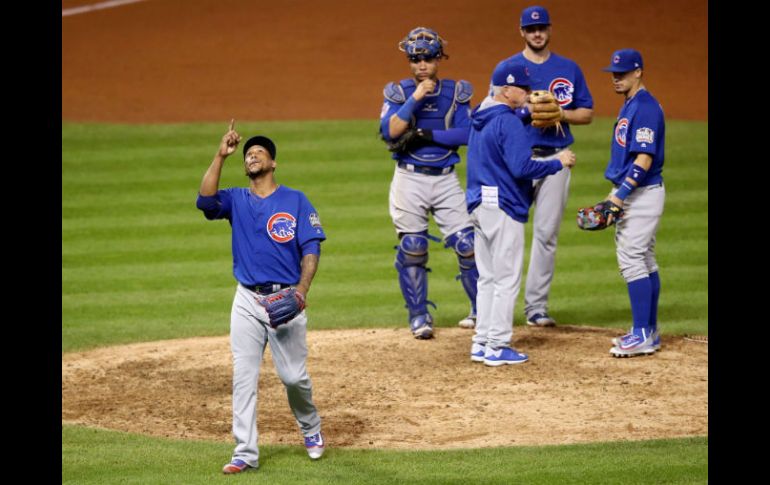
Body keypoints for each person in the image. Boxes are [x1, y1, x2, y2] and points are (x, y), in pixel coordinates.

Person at [196, 120, 327, 473]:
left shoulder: (295, 200)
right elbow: (205, 201)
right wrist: (220, 155)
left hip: (286, 300)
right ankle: (244, 452)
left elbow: (311, 247)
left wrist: (301, 290)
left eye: (259, 153)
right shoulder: (236, 198)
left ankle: (311, 428)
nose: (252, 157)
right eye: (248, 154)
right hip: (247, 301)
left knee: (293, 378)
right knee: (243, 375)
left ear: (273, 163)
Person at [466, 59, 575, 366]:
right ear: (507, 90)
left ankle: (481, 341)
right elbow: (522, 167)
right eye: (523, 88)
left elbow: (502, 133)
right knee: (506, 279)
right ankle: (498, 346)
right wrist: (559, 162)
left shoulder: (481, 115)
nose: (529, 93)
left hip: (479, 204)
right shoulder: (508, 122)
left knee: (487, 278)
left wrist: (524, 115)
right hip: (502, 207)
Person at [493, 5, 594, 327]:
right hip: (517, 160)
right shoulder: (507, 68)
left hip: (556, 158)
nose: (537, 33)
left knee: (546, 234)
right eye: (531, 28)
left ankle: (536, 308)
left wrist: (561, 114)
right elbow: (493, 110)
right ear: (521, 32)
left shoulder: (569, 68)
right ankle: (491, 305)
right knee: (505, 232)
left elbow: (587, 113)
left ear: (549, 30)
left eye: (542, 28)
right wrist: (524, 114)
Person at [379, 26, 478, 339]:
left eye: (428, 58)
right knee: (413, 246)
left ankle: (482, 312)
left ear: (439, 59)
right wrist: (416, 99)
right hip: (409, 179)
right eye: (416, 59)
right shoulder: (397, 92)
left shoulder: (457, 92)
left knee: (468, 246)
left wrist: (429, 135)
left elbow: (468, 134)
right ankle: (419, 316)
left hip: (446, 179)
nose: (422, 65)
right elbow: (390, 131)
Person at [599, 49, 666, 357]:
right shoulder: (631, 104)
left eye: (623, 73)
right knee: (644, 259)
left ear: (638, 72)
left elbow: (643, 158)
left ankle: (641, 334)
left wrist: (619, 195)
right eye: (614, 73)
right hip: (637, 192)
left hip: (641, 193)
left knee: (631, 258)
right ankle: (648, 331)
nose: (617, 77)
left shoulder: (646, 108)